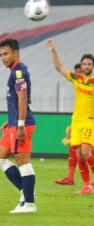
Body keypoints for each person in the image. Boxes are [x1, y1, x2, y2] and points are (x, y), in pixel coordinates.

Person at [0, 38, 37, 213]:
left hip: (22, 124)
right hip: (14, 122)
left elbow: (23, 98)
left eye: (6, 54)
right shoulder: (16, 71)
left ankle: (29, 203)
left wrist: (19, 124)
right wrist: (11, 120)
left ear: (16, 53)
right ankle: (25, 191)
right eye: (1, 55)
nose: (3, 58)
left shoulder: (18, 72)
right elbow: (23, 99)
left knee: (22, 161)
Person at [47, 39, 94, 194]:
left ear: (92, 66)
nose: (86, 66)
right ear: (81, 66)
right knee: (79, 154)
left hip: (89, 121)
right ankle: (87, 185)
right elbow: (59, 68)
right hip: (76, 121)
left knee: (87, 152)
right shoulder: (77, 79)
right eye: (84, 64)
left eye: (89, 64)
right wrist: (53, 50)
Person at [54, 64, 82, 185]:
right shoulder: (78, 87)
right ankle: (70, 177)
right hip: (80, 120)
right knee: (73, 148)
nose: (77, 75)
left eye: (79, 72)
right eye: (76, 73)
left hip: (89, 122)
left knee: (86, 150)